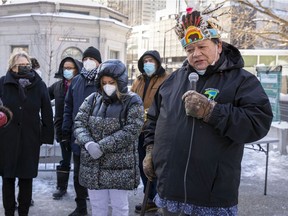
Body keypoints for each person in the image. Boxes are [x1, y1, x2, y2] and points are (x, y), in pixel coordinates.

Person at [142, 7, 273, 216]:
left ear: (218, 46)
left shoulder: (242, 81)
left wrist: (212, 112)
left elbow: (258, 123)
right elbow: (153, 120)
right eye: (190, 49)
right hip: (170, 190)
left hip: (211, 197)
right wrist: (150, 150)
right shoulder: (172, 82)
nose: (196, 54)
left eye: (202, 46)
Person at [73, 59, 144, 216]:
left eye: (111, 82)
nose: (107, 86)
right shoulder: (92, 99)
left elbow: (132, 129)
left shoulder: (132, 101)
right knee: (98, 207)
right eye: (104, 82)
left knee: (119, 207)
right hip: (93, 165)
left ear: (120, 81)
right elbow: (79, 124)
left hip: (119, 167)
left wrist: (102, 146)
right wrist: (88, 143)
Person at [0, 51, 54, 216]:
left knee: (26, 179)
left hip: (30, 138)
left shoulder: (39, 84)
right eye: (19, 65)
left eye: (26, 65)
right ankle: (9, 211)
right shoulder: (2, 83)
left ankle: (23, 212)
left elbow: (46, 111)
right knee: (7, 178)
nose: (23, 68)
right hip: (6, 138)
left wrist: (46, 136)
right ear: (12, 67)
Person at [62, 46, 102, 216]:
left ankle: (99, 209)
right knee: (79, 174)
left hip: (98, 138)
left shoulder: (104, 80)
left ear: (99, 62)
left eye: (91, 59)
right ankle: (81, 208)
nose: (88, 62)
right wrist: (65, 129)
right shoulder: (77, 81)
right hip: (78, 136)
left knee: (98, 176)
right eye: (85, 59)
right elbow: (68, 106)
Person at [130, 50, 169, 214]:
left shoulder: (166, 80)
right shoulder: (138, 80)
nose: (148, 64)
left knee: (158, 166)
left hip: (157, 130)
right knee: (143, 166)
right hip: (140, 130)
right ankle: (150, 198)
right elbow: (130, 100)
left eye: (151, 60)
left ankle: (162, 199)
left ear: (158, 63)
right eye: (145, 60)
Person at [48, 57, 83, 200]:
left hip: (80, 130)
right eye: (65, 68)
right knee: (65, 159)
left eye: (70, 68)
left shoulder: (82, 85)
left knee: (81, 162)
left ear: (77, 69)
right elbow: (43, 96)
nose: (67, 70)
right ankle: (61, 187)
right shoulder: (57, 87)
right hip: (62, 129)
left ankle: (84, 191)